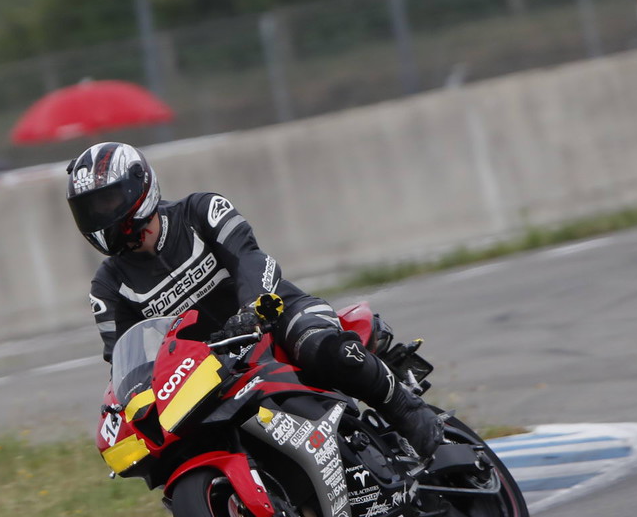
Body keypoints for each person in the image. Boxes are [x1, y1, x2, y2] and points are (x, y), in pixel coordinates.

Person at [65, 141, 443, 457]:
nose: (100, 216)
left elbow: (250, 259)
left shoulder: (200, 211)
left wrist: (252, 311)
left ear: (139, 186)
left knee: (322, 349)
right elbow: (125, 362)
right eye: (90, 210)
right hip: (206, 373)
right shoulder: (107, 287)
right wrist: (126, 410)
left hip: (274, 315)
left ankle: (407, 410)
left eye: (107, 201)